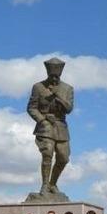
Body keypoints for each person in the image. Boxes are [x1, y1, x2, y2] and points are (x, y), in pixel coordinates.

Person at [27, 57, 74, 196]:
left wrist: (58, 96)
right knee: (47, 153)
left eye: (56, 76)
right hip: (45, 126)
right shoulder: (38, 87)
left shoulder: (68, 88)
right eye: (51, 75)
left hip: (61, 126)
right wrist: (42, 120)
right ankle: (45, 185)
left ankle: (52, 183)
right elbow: (31, 108)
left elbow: (69, 109)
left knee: (63, 158)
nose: (54, 78)